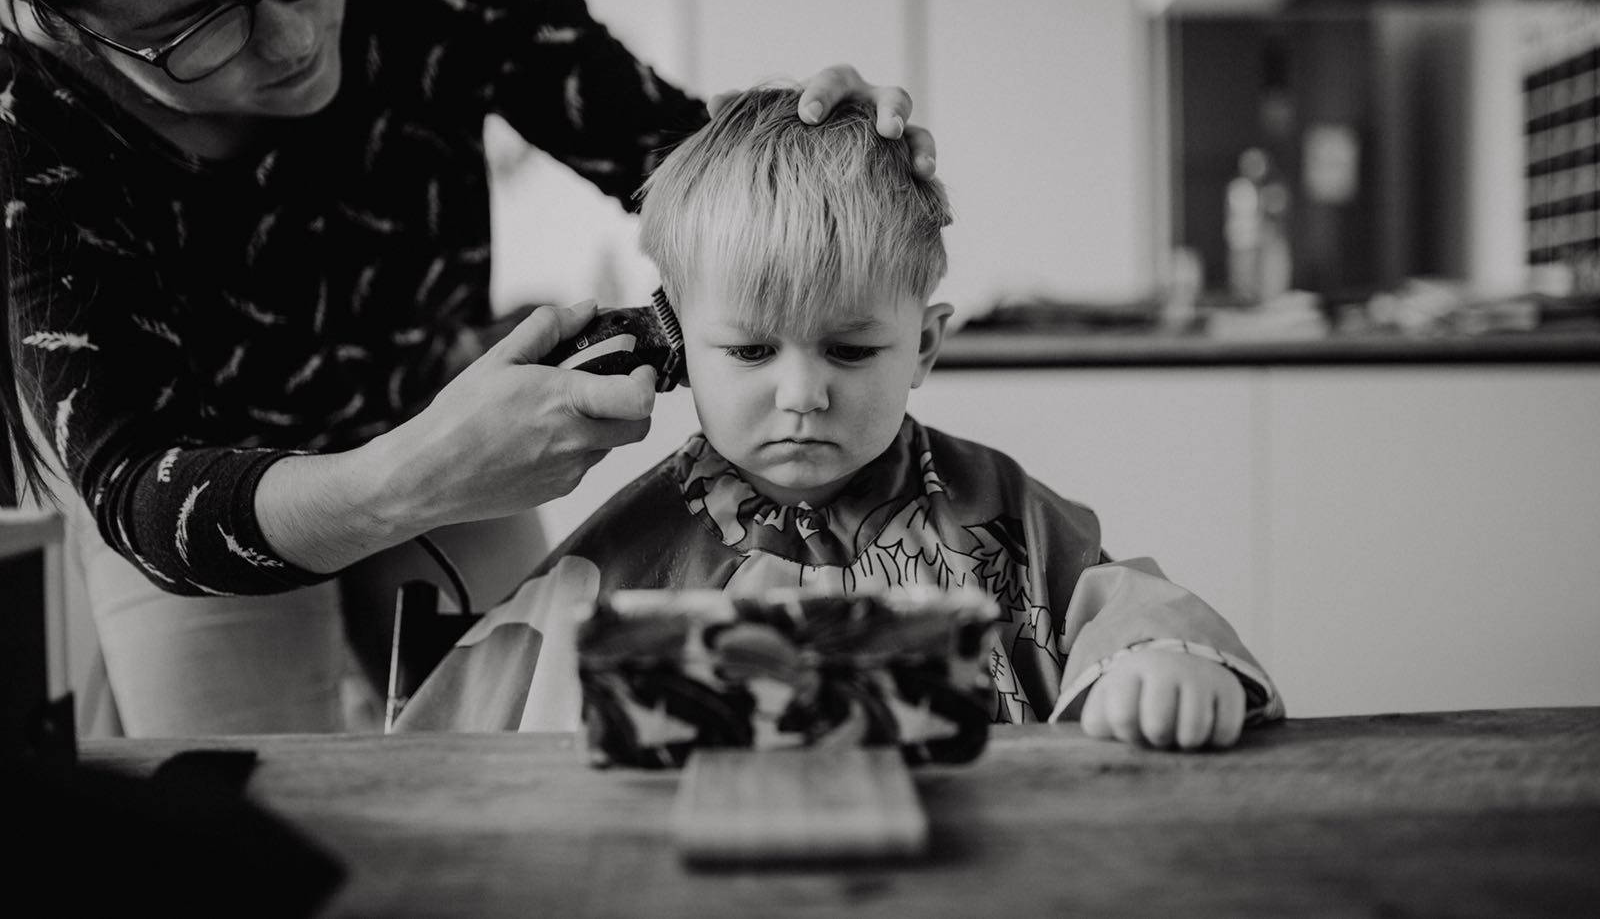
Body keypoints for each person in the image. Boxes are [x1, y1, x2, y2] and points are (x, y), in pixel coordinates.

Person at [0, 0, 935, 736]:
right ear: (48, 21)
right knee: (248, 818)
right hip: (203, 495)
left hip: (429, 407)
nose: (293, 35)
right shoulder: (26, 135)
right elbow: (135, 487)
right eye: (197, 27)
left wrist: (810, 155)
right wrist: (407, 480)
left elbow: (674, 160)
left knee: (511, 742)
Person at [395, 86, 1285, 750]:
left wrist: (1162, 662)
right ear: (673, 346)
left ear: (925, 347)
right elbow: (453, 763)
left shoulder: (1001, 509)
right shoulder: (623, 553)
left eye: (851, 352)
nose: (802, 394)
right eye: (748, 352)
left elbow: (1119, 604)